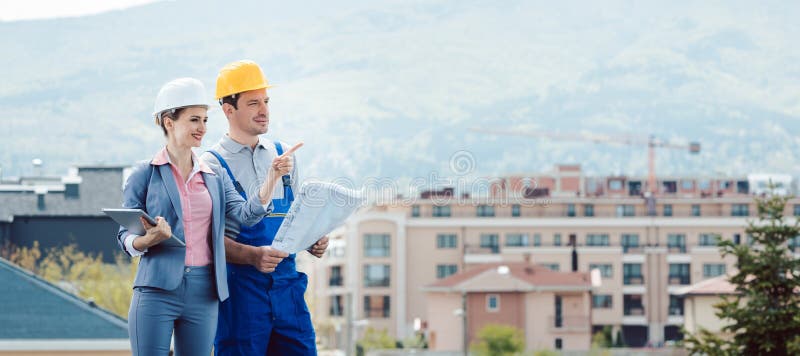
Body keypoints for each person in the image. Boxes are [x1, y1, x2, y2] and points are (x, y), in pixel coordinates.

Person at [116, 77, 295, 355]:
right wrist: (148, 240)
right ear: (168, 122)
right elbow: (125, 236)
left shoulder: (213, 174)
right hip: (156, 290)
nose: (202, 129)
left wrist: (272, 178)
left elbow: (246, 215)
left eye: (205, 120)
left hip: (204, 292)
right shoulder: (144, 173)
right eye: (194, 120)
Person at [201, 60, 329, 355]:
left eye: (266, 101)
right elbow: (206, 238)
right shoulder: (211, 164)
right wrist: (251, 256)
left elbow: (296, 218)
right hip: (242, 294)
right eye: (253, 103)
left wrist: (313, 239)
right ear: (228, 110)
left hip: (288, 289)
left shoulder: (284, 154)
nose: (264, 110)